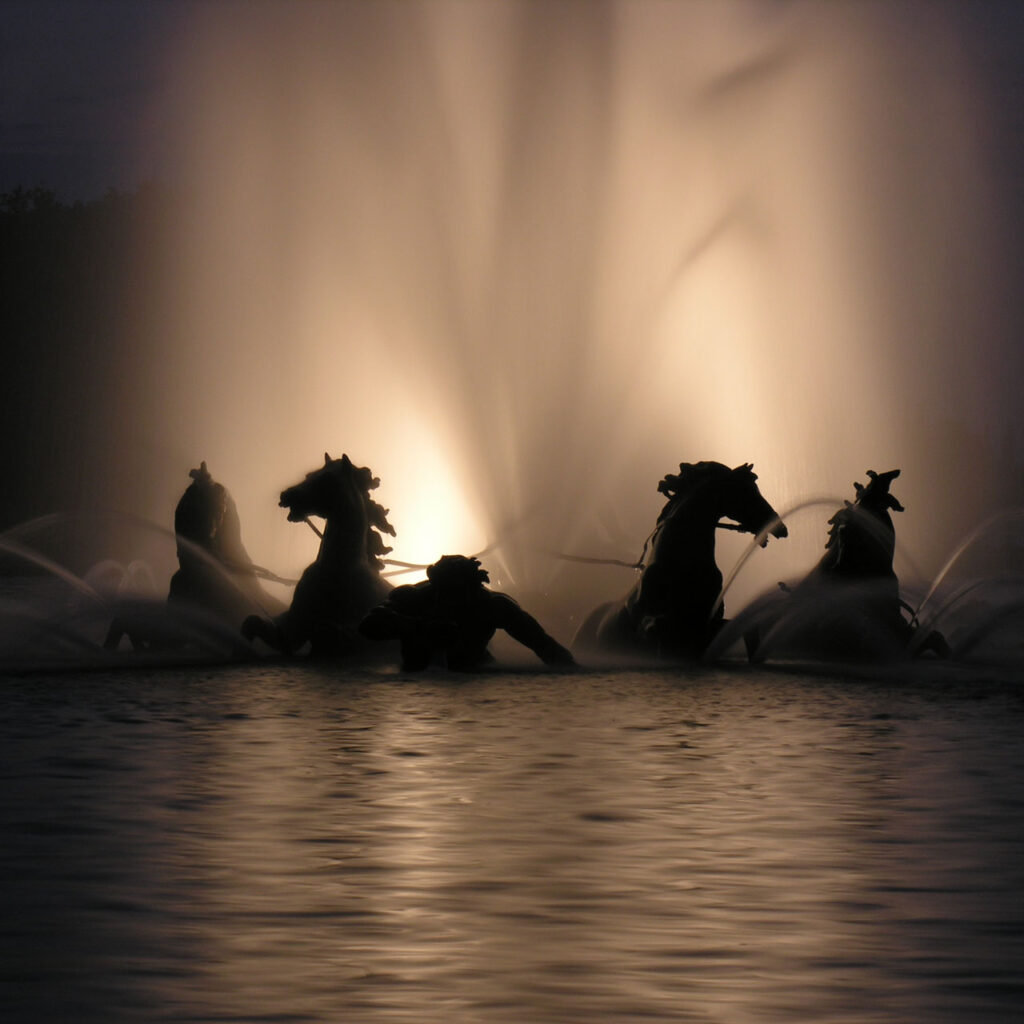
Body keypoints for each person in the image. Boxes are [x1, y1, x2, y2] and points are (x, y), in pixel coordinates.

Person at [359, 554, 576, 670]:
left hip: (474, 674)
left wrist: (575, 673)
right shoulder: (413, 596)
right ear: (437, 586)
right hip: (418, 675)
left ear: (473, 586)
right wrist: (419, 627)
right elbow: (369, 625)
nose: (453, 599)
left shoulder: (492, 605)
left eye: (462, 591)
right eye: (448, 591)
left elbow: (544, 645)